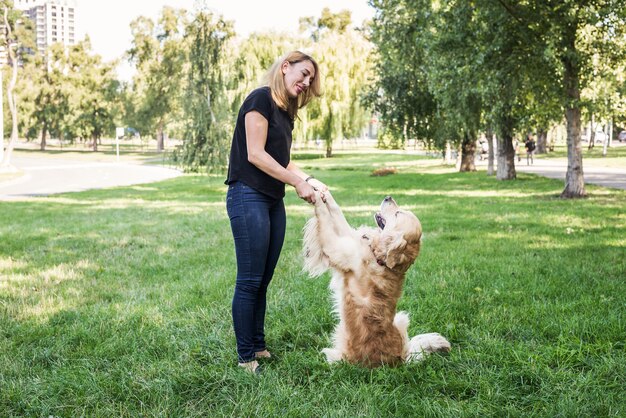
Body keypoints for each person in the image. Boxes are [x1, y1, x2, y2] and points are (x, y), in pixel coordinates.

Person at [224, 51, 327, 374]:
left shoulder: (285, 113)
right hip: (247, 195)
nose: (307, 81)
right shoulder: (260, 100)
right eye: (304, 73)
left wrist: (309, 179)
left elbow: (281, 160)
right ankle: (245, 357)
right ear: (285, 67)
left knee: (263, 280)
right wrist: (297, 182)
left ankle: (258, 344)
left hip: (271, 199)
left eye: (311, 79)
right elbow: (256, 155)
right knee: (250, 280)